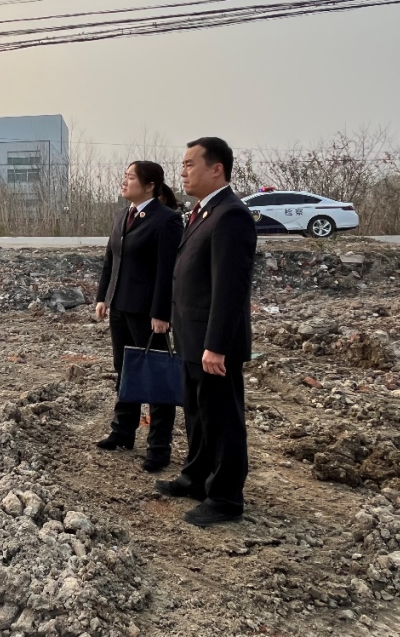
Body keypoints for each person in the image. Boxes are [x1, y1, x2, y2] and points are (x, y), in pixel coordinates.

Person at [155, 137, 257, 527]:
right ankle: (196, 477)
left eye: (189, 164)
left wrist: (216, 345)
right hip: (191, 336)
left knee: (222, 418)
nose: (182, 172)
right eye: (182, 164)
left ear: (217, 169)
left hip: (214, 344)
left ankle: (226, 497)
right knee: (197, 413)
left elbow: (230, 288)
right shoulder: (201, 213)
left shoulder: (231, 215)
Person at [94, 161, 183, 472]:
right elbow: (111, 260)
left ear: (150, 185)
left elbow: (167, 271)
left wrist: (161, 312)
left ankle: (158, 448)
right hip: (120, 307)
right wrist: (103, 297)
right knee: (125, 371)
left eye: (130, 177)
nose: (124, 181)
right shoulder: (122, 215)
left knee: (156, 377)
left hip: (147, 313)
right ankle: (122, 432)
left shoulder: (166, 220)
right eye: (125, 176)